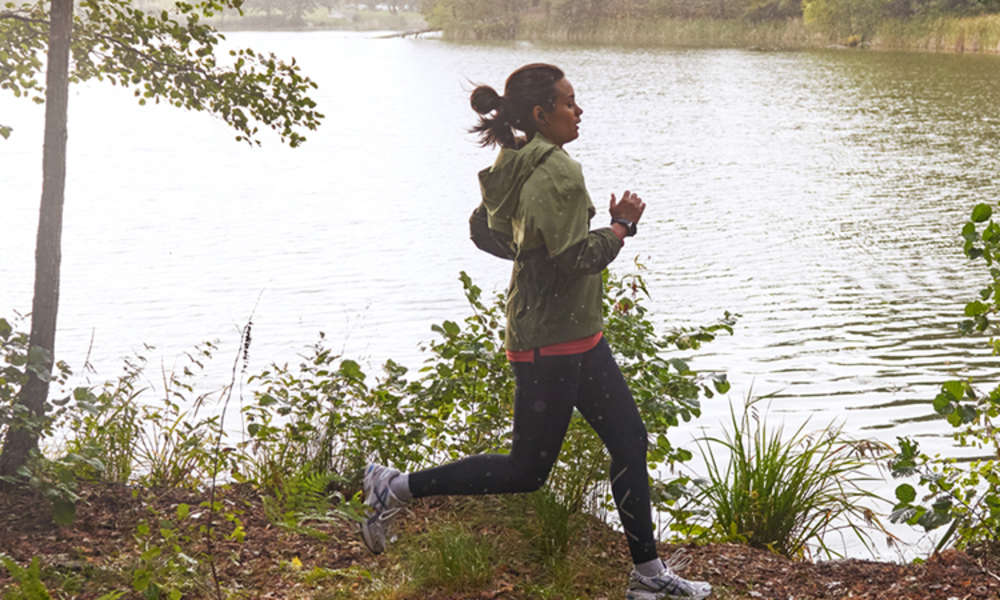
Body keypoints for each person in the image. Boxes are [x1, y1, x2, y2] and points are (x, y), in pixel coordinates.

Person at [359, 63, 712, 600]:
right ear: (542, 114)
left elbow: (483, 232)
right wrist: (621, 227)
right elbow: (574, 258)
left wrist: (529, 259)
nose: (579, 110)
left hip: (574, 333)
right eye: (570, 102)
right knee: (527, 469)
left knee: (629, 441)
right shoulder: (557, 172)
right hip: (552, 344)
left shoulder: (513, 161)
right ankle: (394, 487)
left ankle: (648, 576)